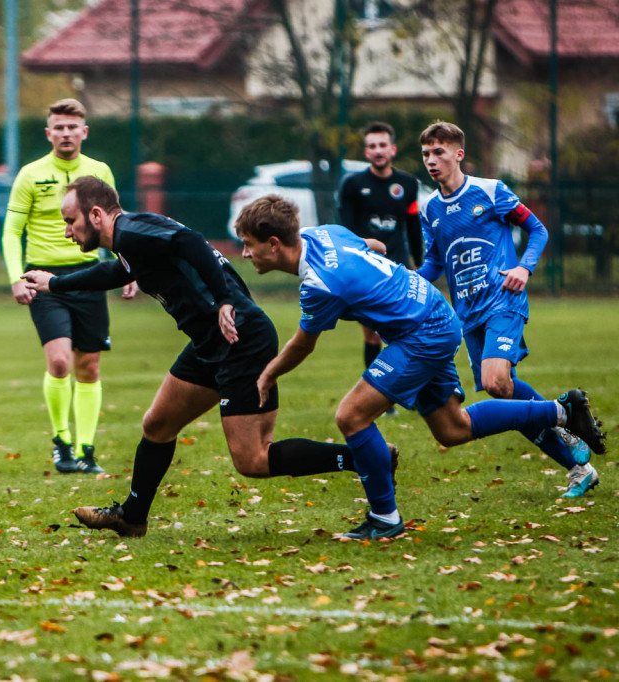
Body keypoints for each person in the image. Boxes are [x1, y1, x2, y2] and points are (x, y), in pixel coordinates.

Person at [24, 176, 381, 539]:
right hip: (209, 342)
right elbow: (117, 271)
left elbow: (190, 241)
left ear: (96, 214)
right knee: (157, 425)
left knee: (253, 459)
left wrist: (224, 299)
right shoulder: (133, 238)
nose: (68, 231)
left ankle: (362, 457)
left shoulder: (132, 231)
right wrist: (56, 284)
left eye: (71, 221)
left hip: (241, 338)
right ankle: (132, 517)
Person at [236, 194, 606, 540]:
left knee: (351, 415)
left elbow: (303, 343)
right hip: (431, 311)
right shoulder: (322, 234)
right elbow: (374, 247)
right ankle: (561, 410)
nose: (244, 252)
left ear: (273, 243)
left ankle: (385, 518)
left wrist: (268, 373)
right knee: (452, 428)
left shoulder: (319, 284)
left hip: (422, 331)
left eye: (249, 244)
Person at [415, 121, 599, 498]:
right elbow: (434, 263)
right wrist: (405, 281)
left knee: (497, 381)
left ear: (458, 154)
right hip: (466, 312)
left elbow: (539, 230)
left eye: (439, 152)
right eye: (426, 154)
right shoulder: (430, 208)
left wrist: (523, 267)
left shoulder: (490, 191)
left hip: (503, 300)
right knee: (505, 395)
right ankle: (577, 461)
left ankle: (564, 413)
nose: (431, 161)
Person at [2, 99, 135, 475]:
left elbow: (116, 223)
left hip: (89, 275)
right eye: (58, 127)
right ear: (48, 133)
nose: (65, 133)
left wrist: (130, 268)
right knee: (60, 360)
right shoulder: (30, 174)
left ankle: (86, 450)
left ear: (84, 132)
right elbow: (12, 230)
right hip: (42, 279)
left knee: (88, 366)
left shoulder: (98, 172)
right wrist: (16, 276)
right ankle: (62, 442)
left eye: (71, 127)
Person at [338, 121, 424, 417]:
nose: (378, 150)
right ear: (366, 151)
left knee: (407, 332)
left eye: (382, 145)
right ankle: (380, 398)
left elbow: (413, 226)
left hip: (399, 269)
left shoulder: (408, 185)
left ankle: (412, 391)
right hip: (366, 272)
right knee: (373, 336)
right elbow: (344, 231)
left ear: (393, 149)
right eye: (372, 146)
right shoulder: (352, 185)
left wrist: (420, 264)